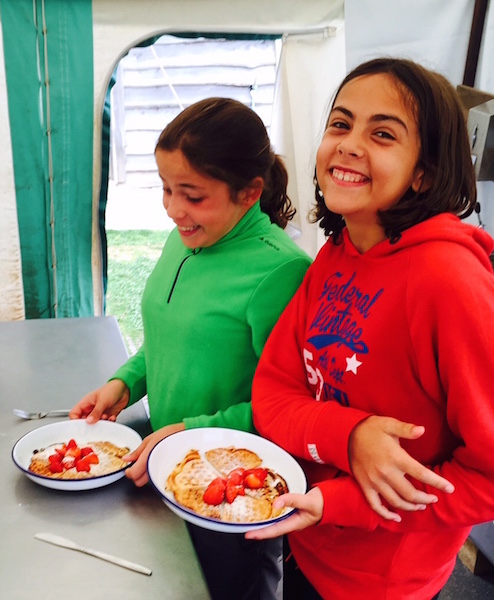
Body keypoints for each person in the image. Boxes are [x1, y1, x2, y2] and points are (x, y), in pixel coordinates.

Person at [245, 57, 494, 600]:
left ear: (424, 171)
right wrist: (350, 436)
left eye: (382, 133)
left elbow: (489, 475)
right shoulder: (337, 253)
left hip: (381, 581)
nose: (349, 143)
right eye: (340, 123)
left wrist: (346, 502)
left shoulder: (449, 280)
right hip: (310, 539)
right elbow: (272, 393)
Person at [69, 97, 312, 600]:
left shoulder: (280, 271)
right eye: (165, 189)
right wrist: (124, 382)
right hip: (167, 455)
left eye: (193, 195)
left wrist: (190, 430)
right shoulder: (186, 235)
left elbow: (293, 405)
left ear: (249, 192)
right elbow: (166, 337)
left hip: (230, 479)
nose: (173, 209)